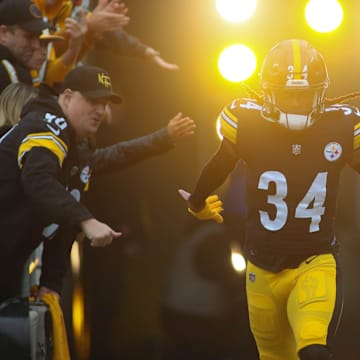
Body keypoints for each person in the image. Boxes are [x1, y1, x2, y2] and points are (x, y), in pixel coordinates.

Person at [181, 39, 360, 359]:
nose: (295, 102)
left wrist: (196, 202)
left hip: (315, 261)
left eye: (303, 94)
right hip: (261, 266)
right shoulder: (248, 123)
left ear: (320, 92)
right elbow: (220, 164)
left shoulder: (341, 125)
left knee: (314, 351)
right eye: (287, 94)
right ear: (268, 92)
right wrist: (197, 201)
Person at [0, 64, 123, 303]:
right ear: (67, 97)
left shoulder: (73, 148)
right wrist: (87, 220)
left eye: (105, 104)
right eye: (92, 101)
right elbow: (38, 180)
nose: (100, 111)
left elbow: (62, 217)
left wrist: (51, 283)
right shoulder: (47, 125)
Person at [0, 0, 50, 92]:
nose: (36, 45)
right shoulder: (8, 74)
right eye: (28, 36)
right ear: (4, 34)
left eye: (38, 36)